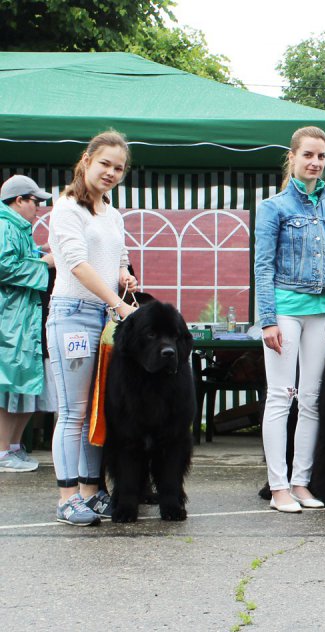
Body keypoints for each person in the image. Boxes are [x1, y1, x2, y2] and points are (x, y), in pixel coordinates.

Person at [254, 126, 325, 513]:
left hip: (324, 311)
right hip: (285, 310)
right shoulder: (273, 207)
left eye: (321, 156)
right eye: (308, 155)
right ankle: (278, 487)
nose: (315, 162)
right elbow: (262, 267)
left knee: (313, 399)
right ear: (292, 158)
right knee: (281, 396)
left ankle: (300, 483)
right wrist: (267, 320)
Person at [47, 131, 138, 526]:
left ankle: (91, 490)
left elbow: (118, 257)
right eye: (105, 164)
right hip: (72, 315)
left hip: (104, 318)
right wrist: (117, 302)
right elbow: (78, 265)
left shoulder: (112, 213)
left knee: (96, 411)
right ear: (86, 160)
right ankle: (67, 496)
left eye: (118, 168)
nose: (111, 173)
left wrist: (125, 278)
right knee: (73, 412)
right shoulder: (67, 207)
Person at [0, 175, 53, 472]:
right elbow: (4, 266)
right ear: (18, 200)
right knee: (7, 385)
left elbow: (18, 259)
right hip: (9, 318)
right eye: (35, 201)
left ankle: (14, 447)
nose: (39, 208)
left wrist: (38, 254)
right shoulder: (5, 226)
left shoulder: (17, 228)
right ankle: (3, 452)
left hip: (21, 318)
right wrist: (45, 263)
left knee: (22, 384)